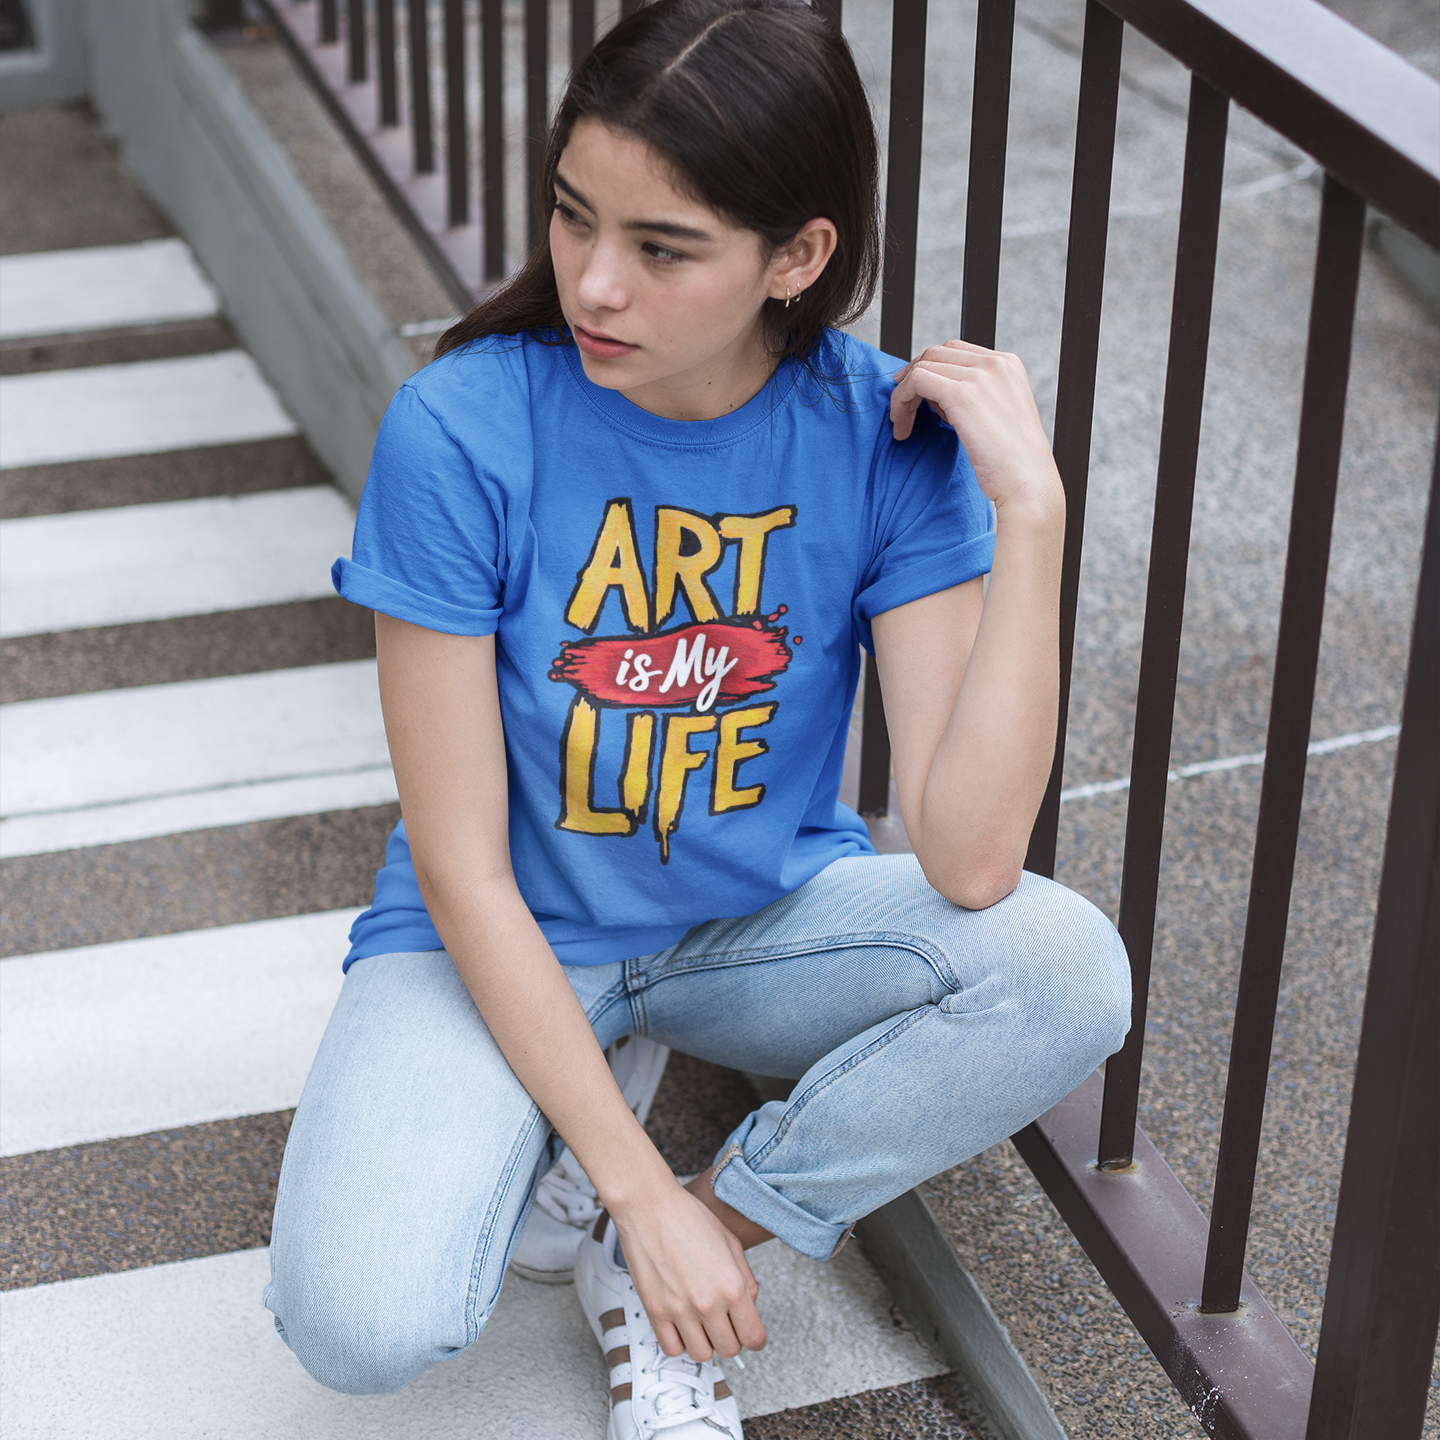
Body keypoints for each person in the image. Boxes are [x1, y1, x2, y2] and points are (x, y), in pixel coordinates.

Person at [263, 0, 1132, 1435]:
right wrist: (628, 1168)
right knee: (361, 1324)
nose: (595, 283)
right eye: (571, 217)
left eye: (663, 250)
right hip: (505, 930)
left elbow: (971, 860)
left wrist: (1028, 513)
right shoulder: (462, 428)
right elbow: (465, 866)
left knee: (1061, 969)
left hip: (751, 928)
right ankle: (585, 1113)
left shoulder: (879, 440)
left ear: (797, 258)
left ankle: (684, 1245)